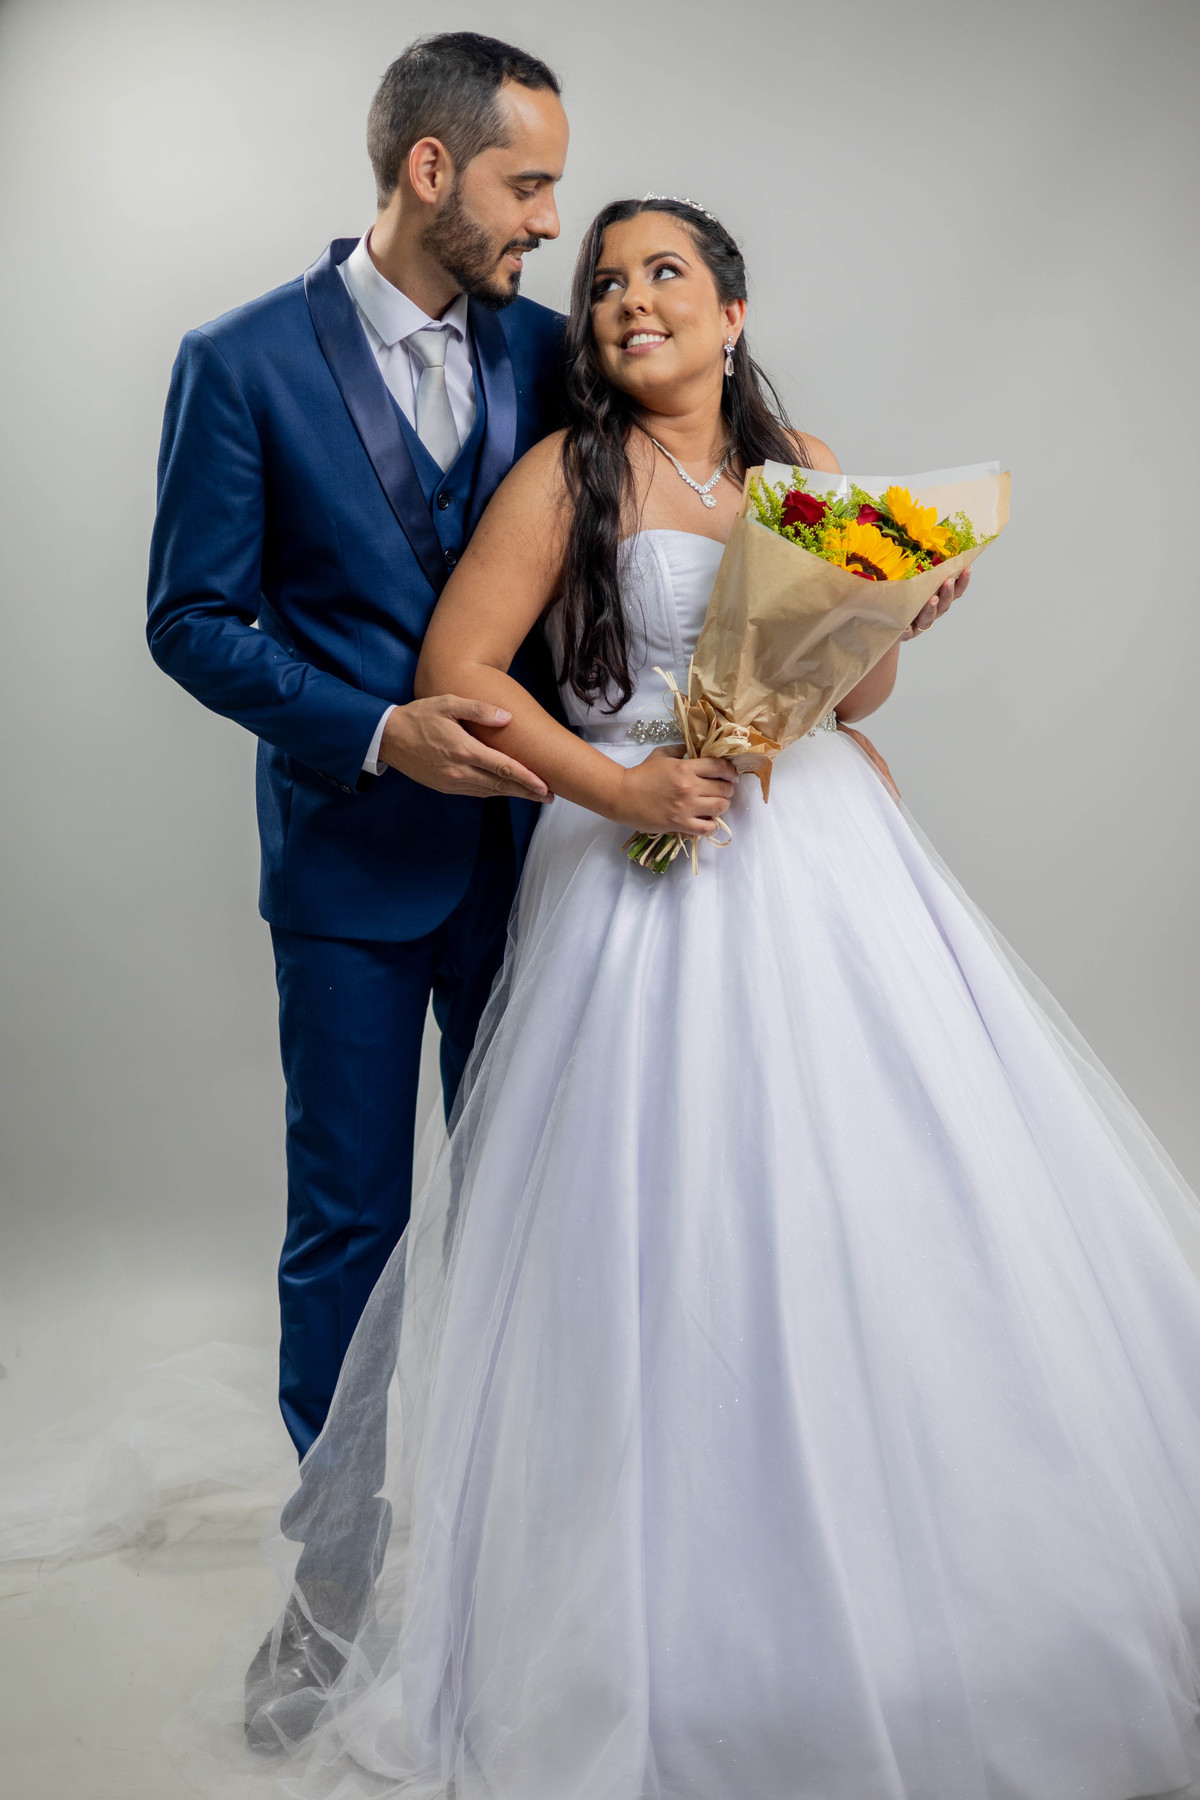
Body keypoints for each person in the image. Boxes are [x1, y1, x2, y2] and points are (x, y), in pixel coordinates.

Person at [243, 194, 1200, 1800]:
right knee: (672, 1216)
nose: (630, 298)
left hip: (812, 847)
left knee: (872, 1197)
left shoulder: (797, 463)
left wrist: (897, 610)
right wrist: (617, 790)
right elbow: (457, 675)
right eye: (607, 280)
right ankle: (660, 1618)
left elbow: (849, 691)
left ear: (732, 312)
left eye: (665, 272)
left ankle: (911, 1589)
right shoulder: (568, 474)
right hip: (635, 854)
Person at [146, 33, 571, 1460]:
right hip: (346, 874)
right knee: (350, 1226)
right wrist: (381, 732)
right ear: (430, 168)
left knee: (536, 1210)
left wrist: (855, 583)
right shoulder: (239, 363)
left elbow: (671, 505)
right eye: (527, 184)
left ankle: (511, 1541)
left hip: (540, 861)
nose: (550, 221)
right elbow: (191, 620)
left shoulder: (549, 352)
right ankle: (331, 1568)